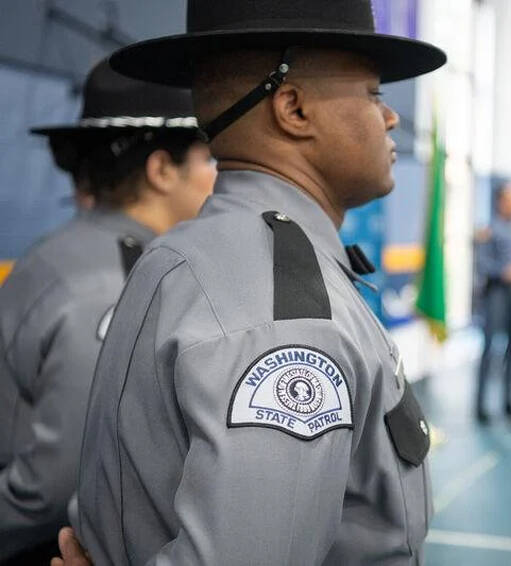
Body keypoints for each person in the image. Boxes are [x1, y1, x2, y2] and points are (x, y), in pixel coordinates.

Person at [71, 1, 446, 564]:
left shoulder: (187, 253)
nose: (390, 118)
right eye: (373, 94)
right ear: (293, 109)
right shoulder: (284, 313)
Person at [0, 60, 215, 564]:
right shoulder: (109, 285)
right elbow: (61, 482)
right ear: (162, 169)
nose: (216, 178)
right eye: (207, 160)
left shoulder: (80, 257)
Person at [476, 182, 511, 423]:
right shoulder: (488, 231)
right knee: (490, 351)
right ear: (501, 202)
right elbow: (483, 266)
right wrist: (507, 272)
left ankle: (510, 401)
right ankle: (481, 406)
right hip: (495, 296)